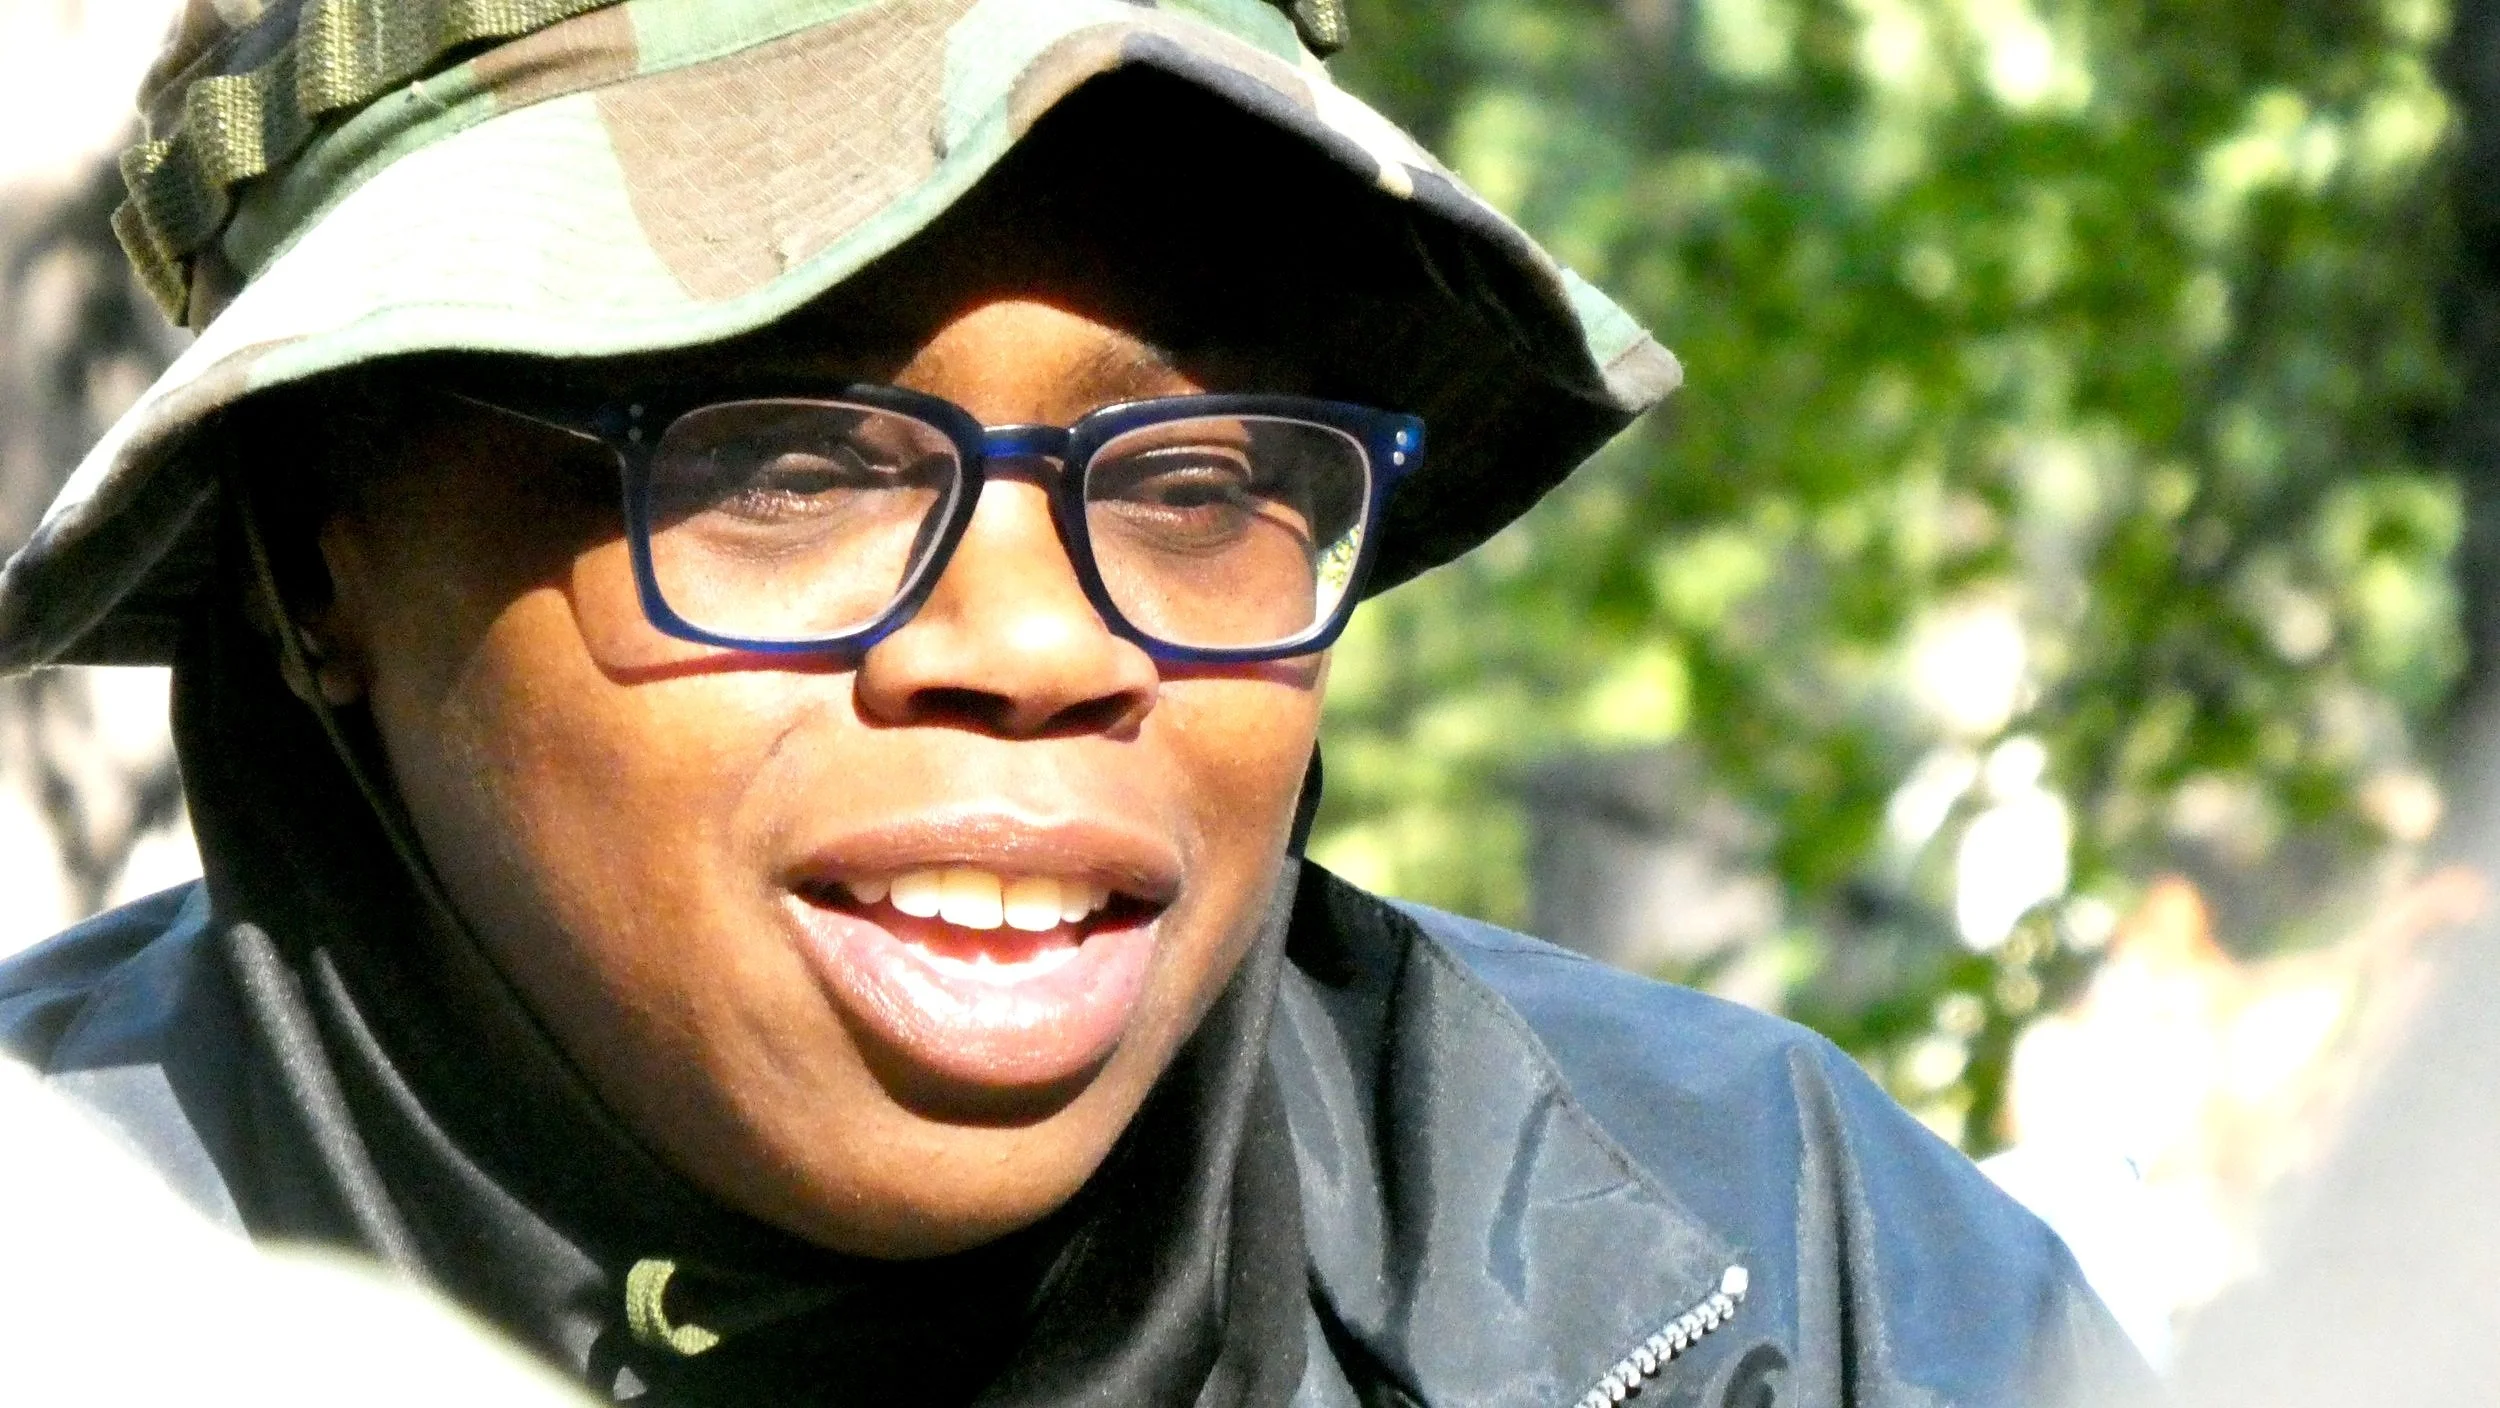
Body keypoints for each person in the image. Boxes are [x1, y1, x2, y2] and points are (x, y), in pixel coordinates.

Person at [0, 2, 2157, 1404]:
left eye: (1196, 482)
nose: (1042, 646)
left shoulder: (1764, 1274)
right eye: (783, 467)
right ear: (315, 566)